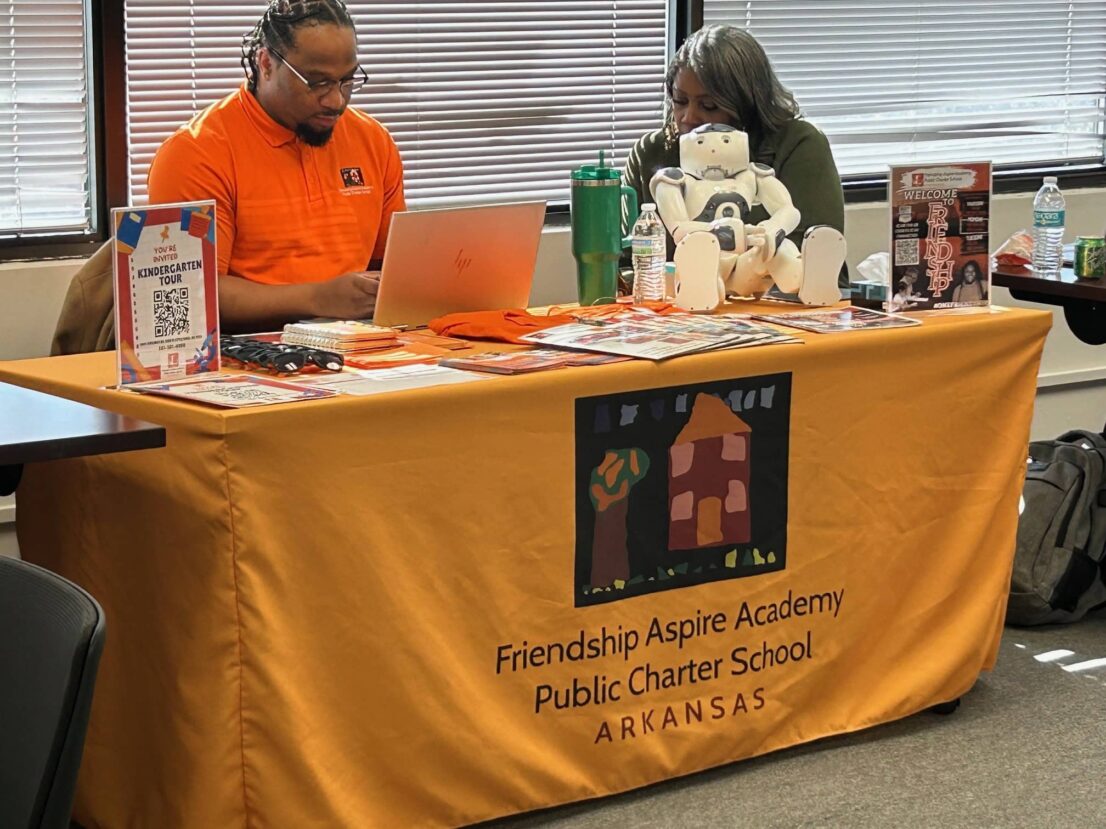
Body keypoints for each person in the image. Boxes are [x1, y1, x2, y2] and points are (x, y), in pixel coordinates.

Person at [147, 0, 406, 331]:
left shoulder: (373, 140)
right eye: (317, 82)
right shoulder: (196, 153)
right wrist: (316, 299)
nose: (336, 101)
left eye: (347, 80)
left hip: (359, 344)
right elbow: (185, 293)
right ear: (266, 64)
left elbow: (393, 268)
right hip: (243, 353)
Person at [622, 24, 848, 288]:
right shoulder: (652, 153)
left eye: (709, 106)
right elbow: (628, 261)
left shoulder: (798, 144)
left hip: (785, 300)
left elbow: (812, 246)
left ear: (747, 105)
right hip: (688, 302)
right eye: (680, 100)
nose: (688, 118)